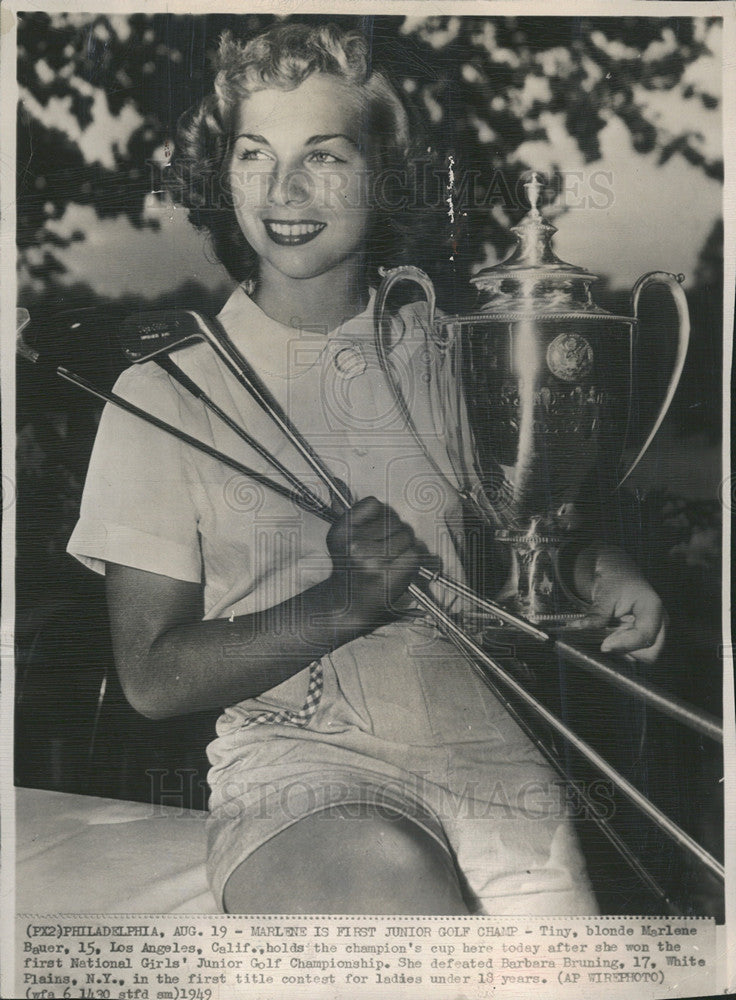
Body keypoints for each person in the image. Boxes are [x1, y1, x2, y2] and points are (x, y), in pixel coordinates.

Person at [68, 20, 665, 915]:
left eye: (326, 155)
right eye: (253, 155)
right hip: (303, 766)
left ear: (384, 172)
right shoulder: (164, 391)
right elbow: (152, 676)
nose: (284, 189)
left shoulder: (458, 354)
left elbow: (523, 537)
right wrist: (340, 603)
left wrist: (601, 574)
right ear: (221, 173)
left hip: (496, 754)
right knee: (399, 887)